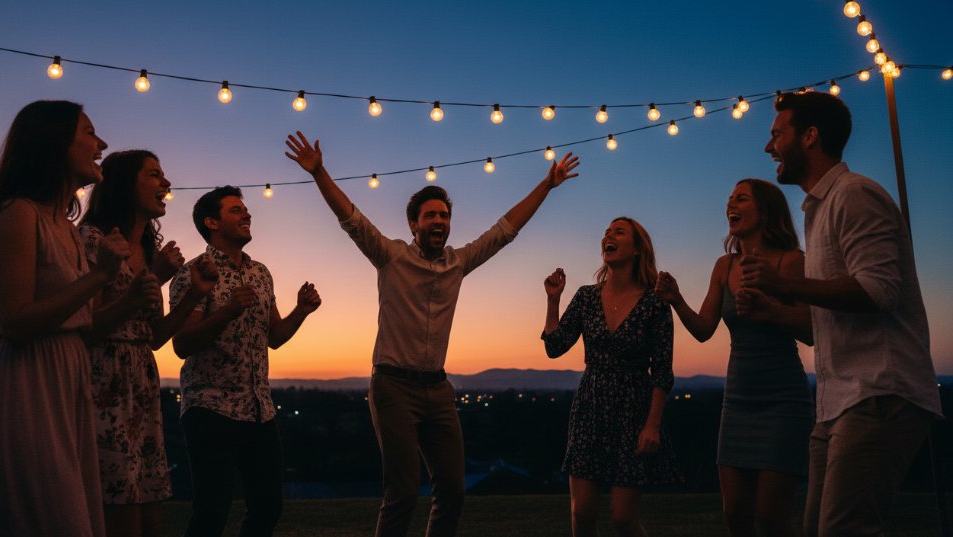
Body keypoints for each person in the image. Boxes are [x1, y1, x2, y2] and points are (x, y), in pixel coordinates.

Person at [284, 130, 579, 537]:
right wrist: (319, 173)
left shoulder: (459, 263)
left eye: (444, 215)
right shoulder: (390, 256)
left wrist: (546, 185)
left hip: (438, 390)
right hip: (392, 386)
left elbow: (504, 230)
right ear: (414, 224)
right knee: (402, 492)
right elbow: (350, 218)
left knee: (453, 492)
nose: (439, 221)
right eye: (431, 216)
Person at [744, 91, 942, 536]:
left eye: (777, 134)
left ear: (810, 137)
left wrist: (786, 284)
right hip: (836, 402)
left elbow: (878, 292)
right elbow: (825, 325)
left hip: (879, 392)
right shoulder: (818, 210)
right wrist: (773, 310)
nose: (768, 146)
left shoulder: (855, 195)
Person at [0, 100, 128, 536]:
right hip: (25, 388)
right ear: (54, 142)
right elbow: (14, 321)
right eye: (89, 133)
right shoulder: (19, 213)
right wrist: (101, 276)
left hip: (65, 385)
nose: (101, 144)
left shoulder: (66, 228)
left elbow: (82, 323)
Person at [654, 179, 813, 537]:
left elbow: (813, 330)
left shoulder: (791, 261)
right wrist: (677, 299)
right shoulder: (724, 265)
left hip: (784, 402)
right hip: (738, 402)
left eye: (741, 199)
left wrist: (770, 310)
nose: (730, 205)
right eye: (729, 200)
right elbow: (704, 328)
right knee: (735, 514)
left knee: (772, 517)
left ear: (766, 210)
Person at [79, 150, 219, 537]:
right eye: (155, 174)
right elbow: (85, 327)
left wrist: (192, 295)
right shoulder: (93, 241)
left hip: (142, 385)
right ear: (124, 183)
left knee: (148, 516)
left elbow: (154, 337)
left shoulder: (150, 251)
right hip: (102, 384)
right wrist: (152, 281)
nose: (167, 184)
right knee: (117, 513)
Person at [169, 185, 322, 537]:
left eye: (245, 209)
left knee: (268, 507)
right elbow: (181, 344)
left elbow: (275, 337)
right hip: (209, 407)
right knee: (211, 512)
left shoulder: (260, 274)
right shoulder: (192, 274)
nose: (247, 214)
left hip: (259, 409)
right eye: (236, 210)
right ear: (211, 222)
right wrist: (227, 311)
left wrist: (302, 310)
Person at [542, 217, 679, 537]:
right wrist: (552, 299)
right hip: (591, 406)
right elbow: (555, 346)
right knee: (582, 513)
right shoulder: (587, 296)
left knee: (622, 518)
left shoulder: (655, 302)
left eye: (618, 232)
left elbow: (662, 370)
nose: (608, 235)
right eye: (606, 232)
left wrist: (652, 425)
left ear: (637, 249)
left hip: (634, 410)